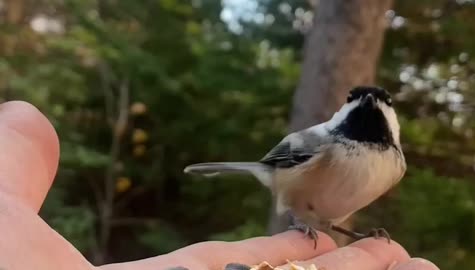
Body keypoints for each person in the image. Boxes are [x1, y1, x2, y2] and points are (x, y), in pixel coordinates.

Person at [0, 101, 439, 270]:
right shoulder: (318, 143)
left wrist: (358, 236)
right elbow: (279, 163)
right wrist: (297, 218)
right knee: (309, 223)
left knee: (334, 228)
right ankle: (301, 227)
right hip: (293, 189)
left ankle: (350, 238)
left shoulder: (394, 165)